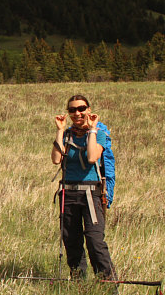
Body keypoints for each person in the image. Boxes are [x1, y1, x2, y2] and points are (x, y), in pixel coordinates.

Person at [50, 94, 117, 285]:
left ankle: (108, 285)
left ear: (89, 109)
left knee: (95, 242)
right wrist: (60, 131)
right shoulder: (67, 134)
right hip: (68, 194)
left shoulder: (100, 132)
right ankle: (79, 283)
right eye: (72, 110)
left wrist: (93, 130)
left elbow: (92, 157)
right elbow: (56, 159)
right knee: (72, 242)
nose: (77, 113)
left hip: (90, 194)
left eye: (81, 108)